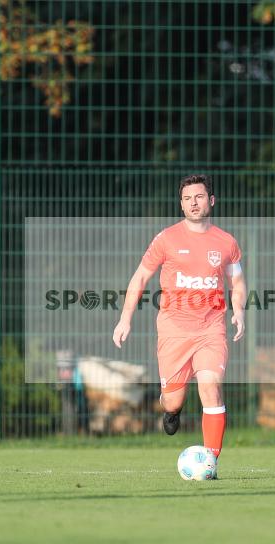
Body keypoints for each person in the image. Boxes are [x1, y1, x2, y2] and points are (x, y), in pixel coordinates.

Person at [112, 174, 245, 467]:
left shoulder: (227, 242)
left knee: (210, 385)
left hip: (211, 329)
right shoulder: (166, 239)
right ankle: (171, 410)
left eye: (198, 197)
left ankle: (210, 461)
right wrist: (125, 319)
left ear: (211, 201)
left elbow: (237, 280)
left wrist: (238, 310)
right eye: (187, 199)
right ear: (181, 204)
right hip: (173, 331)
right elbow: (141, 277)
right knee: (173, 400)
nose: (193, 203)